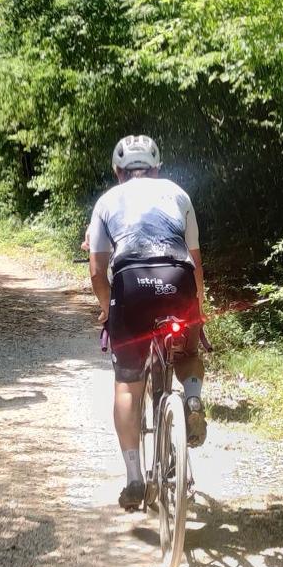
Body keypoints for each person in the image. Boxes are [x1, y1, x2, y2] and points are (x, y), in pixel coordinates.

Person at [86, 133, 208, 510]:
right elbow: (196, 259)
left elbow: (96, 270)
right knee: (186, 347)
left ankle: (135, 477)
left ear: (117, 170)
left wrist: (108, 309)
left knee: (127, 386)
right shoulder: (177, 193)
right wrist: (197, 307)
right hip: (178, 279)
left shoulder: (106, 201)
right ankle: (190, 398)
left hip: (132, 285)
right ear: (157, 168)